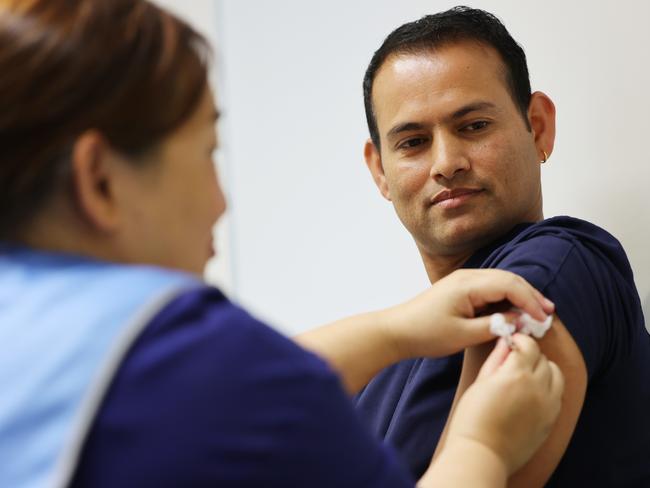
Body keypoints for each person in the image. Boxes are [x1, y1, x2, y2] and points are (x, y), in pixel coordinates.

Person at [0, 1, 564, 487]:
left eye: (473, 126)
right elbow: (235, 390)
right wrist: (483, 446)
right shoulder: (194, 357)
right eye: (206, 153)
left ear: (537, 126)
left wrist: (394, 331)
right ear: (99, 182)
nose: (221, 202)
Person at [356, 5, 650, 487]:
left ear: (537, 126)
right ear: (379, 170)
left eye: (473, 126)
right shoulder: (374, 379)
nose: (447, 163)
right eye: (413, 142)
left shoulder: (558, 268)